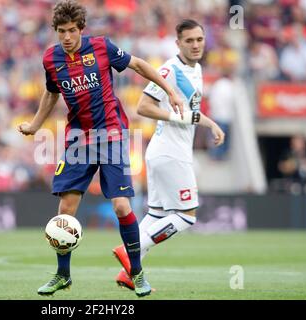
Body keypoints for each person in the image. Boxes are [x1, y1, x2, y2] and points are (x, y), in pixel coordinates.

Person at [17, 0, 184, 297]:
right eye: (61, 31)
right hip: (78, 139)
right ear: (55, 31)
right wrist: (35, 124)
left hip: (111, 135)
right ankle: (62, 275)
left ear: (81, 28)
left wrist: (170, 91)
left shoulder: (101, 47)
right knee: (65, 211)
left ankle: (136, 273)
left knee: (121, 206)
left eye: (71, 30)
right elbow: (51, 93)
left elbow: (139, 65)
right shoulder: (51, 59)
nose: (66, 36)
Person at [111, 19, 225, 290]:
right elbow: (143, 107)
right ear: (178, 43)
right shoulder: (170, 69)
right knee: (187, 216)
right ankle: (131, 251)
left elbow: (188, 111)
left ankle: (130, 272)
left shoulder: (195, 70)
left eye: (199, 39)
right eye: (189, 40)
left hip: (165, 152)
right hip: (171, 153)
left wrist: (211, 124)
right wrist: (180, 117)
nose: (195, 45)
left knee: (158, 215)